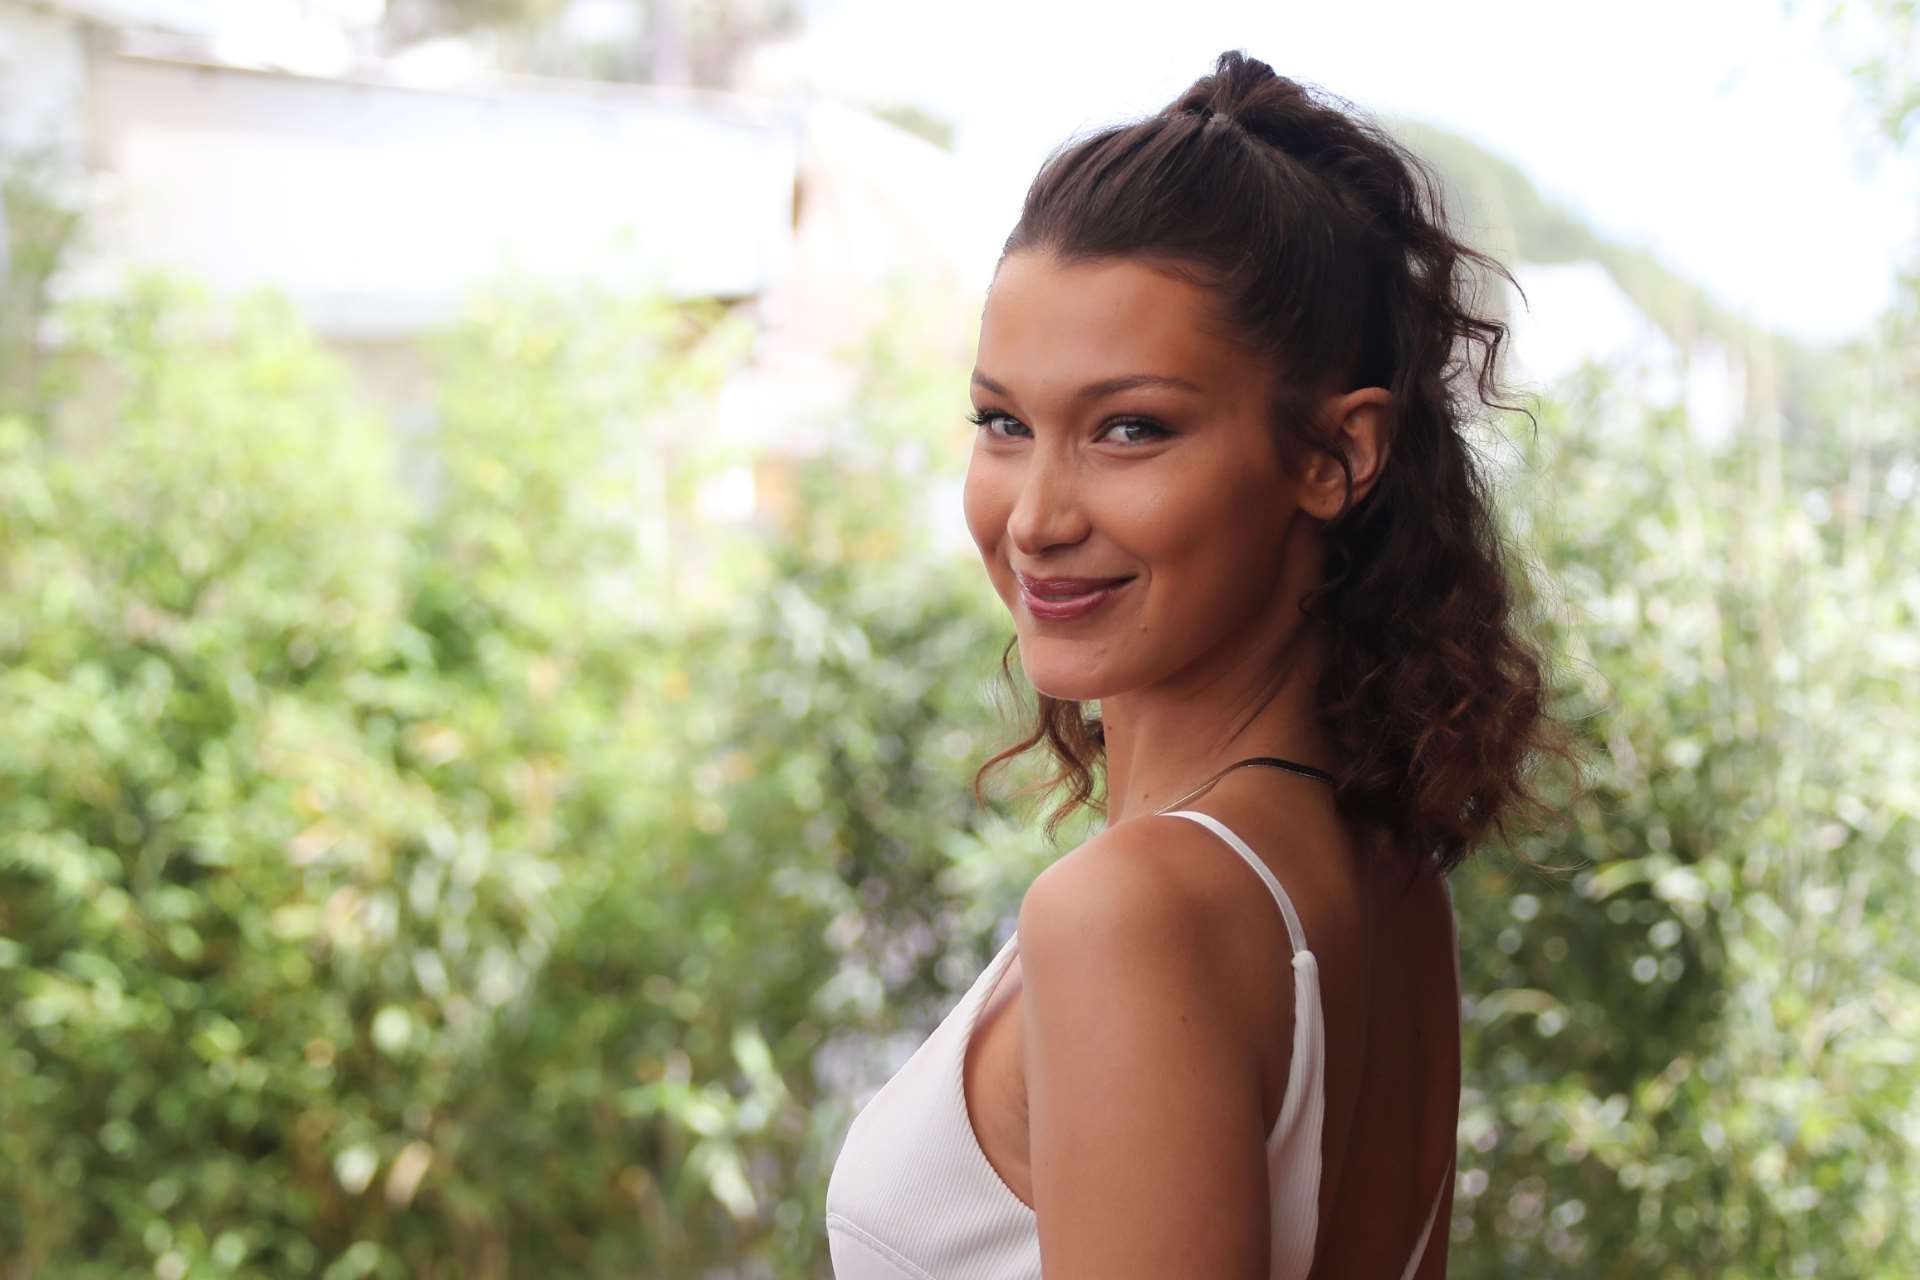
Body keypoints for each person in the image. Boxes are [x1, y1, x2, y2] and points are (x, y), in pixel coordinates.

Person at [825, 48, 1573, 1279]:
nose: (1035, 517)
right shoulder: (1383, 873)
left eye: (1131, 428)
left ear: (1337, 455)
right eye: (1005, 422)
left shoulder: (1132, 911)